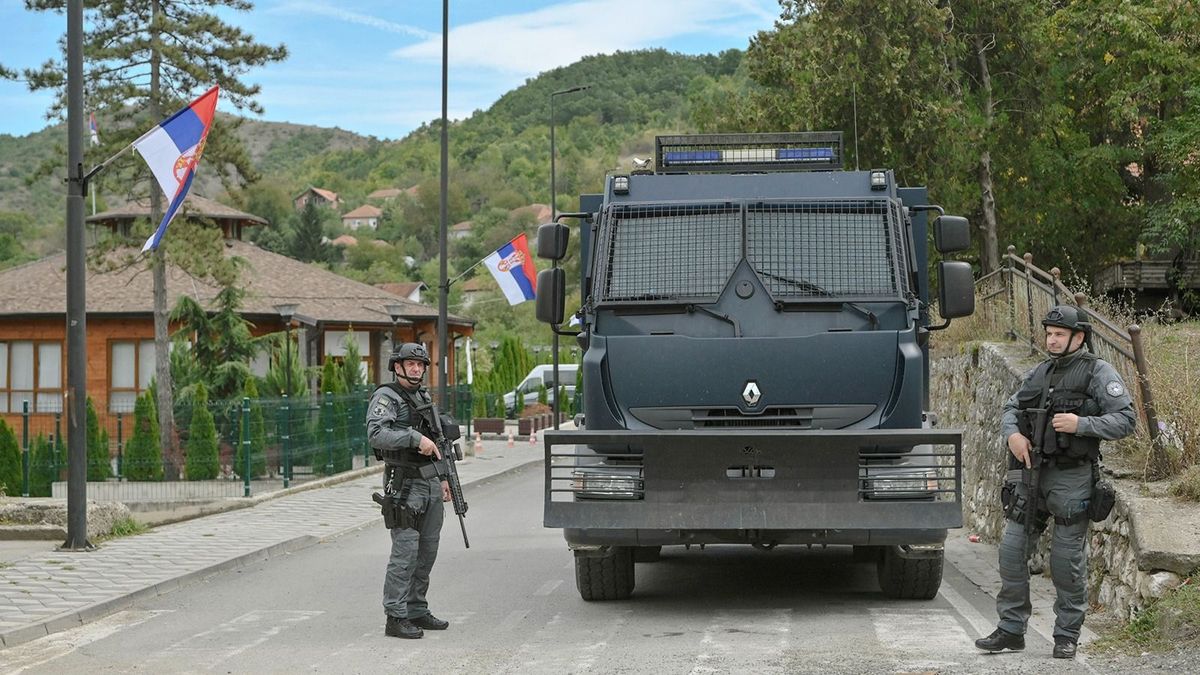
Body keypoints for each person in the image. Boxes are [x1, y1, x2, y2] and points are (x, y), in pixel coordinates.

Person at [975, 305, 1135, 659]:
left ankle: (1066, 635)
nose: (1051, 340)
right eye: (1049, 334)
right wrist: (1012, 435)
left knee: (1066, 561)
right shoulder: (1040, 372)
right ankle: (1011, 629)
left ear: (1079, 337)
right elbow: (1011, 409)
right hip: (1031, 474)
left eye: (1059, 334)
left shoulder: (1097, 372)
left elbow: (1126, 419)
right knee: (1011, 551)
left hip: (1072, 477)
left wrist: (1082, 425)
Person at [367, 342, 452, 639]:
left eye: (420, 365)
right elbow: (376, 433)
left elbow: (438, 441)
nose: (416, 369)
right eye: (410, 364)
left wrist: (444, 478)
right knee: (405, 552)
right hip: (403, 483)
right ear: (397, 367)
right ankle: (396, 615)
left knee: (427, 550)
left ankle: (416, 609)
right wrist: (414, 439)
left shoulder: (423, 396)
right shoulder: (387, 397)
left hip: (430, 481)